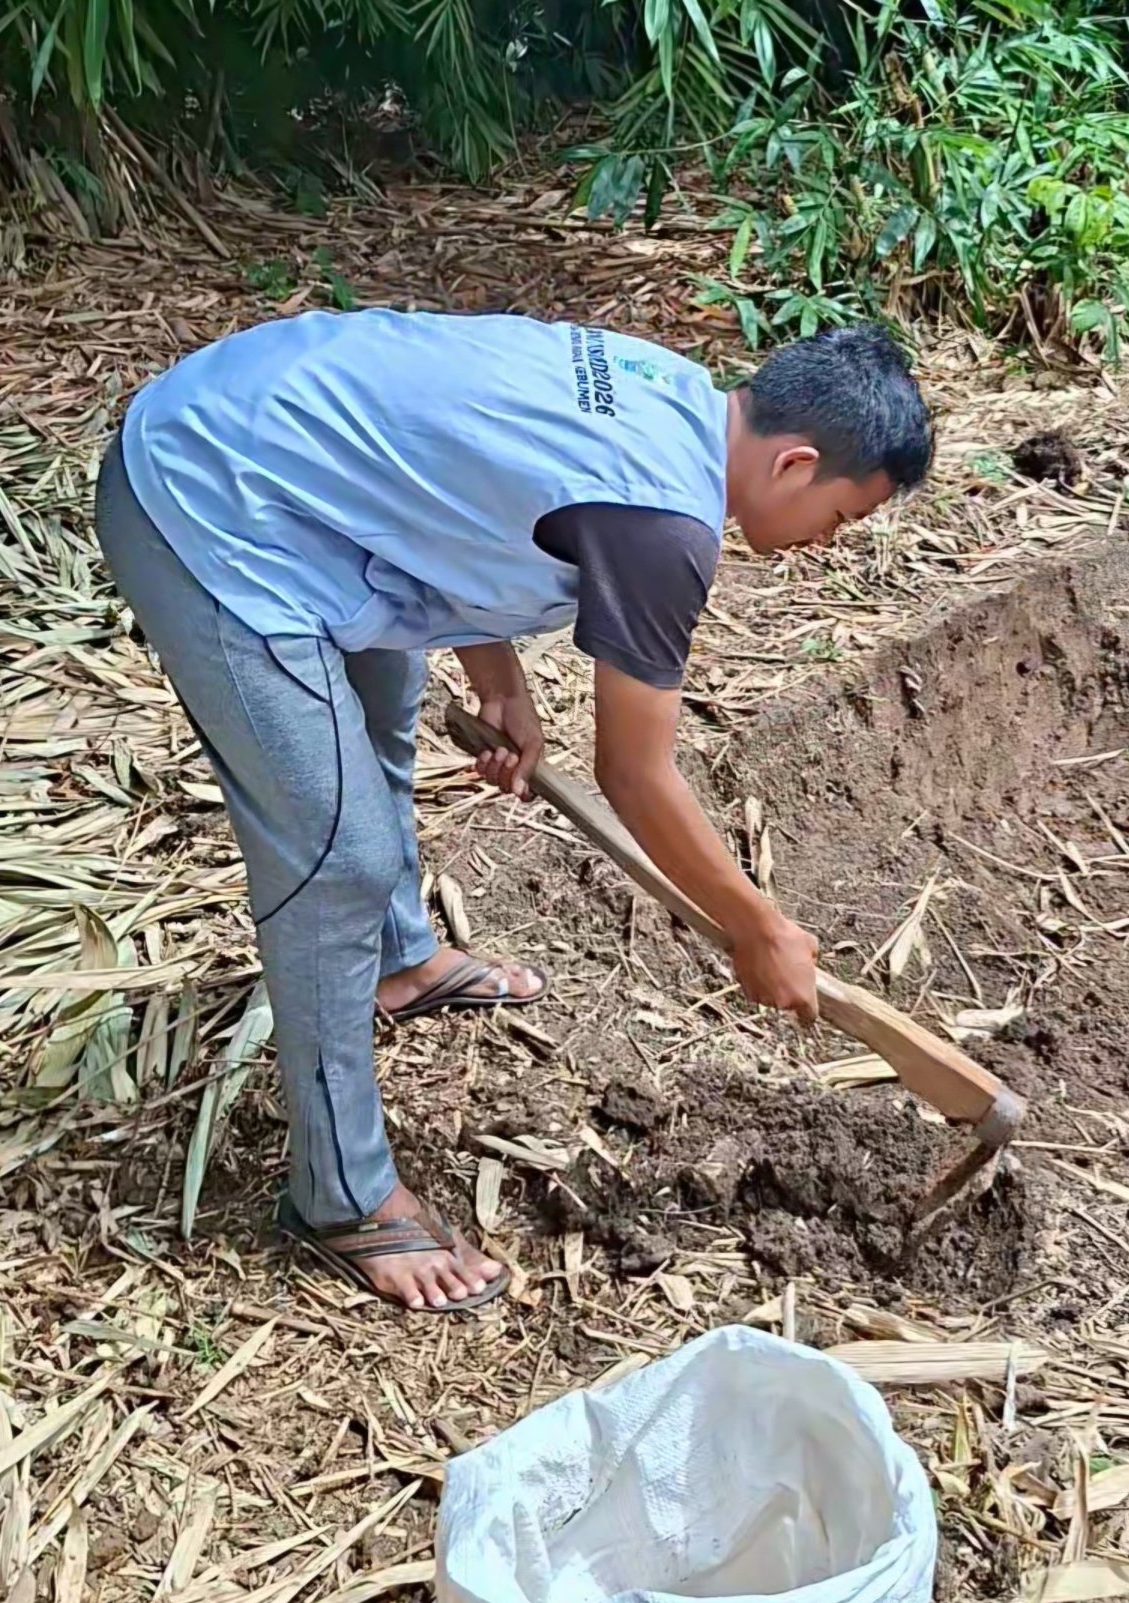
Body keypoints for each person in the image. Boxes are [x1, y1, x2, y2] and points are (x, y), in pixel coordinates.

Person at [96, 313, 932, 1314]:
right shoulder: (666, 525)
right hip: (208, 500)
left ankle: (401, 961)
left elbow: (457, 486)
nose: (825, 547)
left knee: (386, 702)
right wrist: (758, 927)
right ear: (796, 463)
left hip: (275, 451)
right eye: (841, 519)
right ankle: (341, 1199)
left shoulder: (665, 386)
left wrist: (500, 682)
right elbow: (636, 776)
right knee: (341, 858)